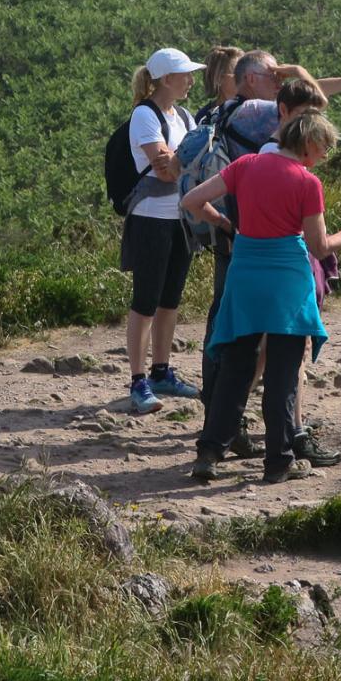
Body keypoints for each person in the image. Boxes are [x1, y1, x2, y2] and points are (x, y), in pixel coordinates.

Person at [183, 113, 341, 484]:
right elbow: (320, 248)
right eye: (322, 149)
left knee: (237, 369)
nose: (323, 156)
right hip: (288, 280)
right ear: (307, 145)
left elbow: (192, 200)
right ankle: (277, 463)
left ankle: (208, 453)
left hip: (246, 276)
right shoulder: (307, 182)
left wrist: (227, 226)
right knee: (283, 373)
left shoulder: (245, 165)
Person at [121, 47, 206, 414]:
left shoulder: (182, 116)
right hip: (151, 218)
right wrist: (185, 157)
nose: (190, 80)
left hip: (179, 219)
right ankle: (138, 380)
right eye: (185, 74)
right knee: (145, 301)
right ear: (166, 79)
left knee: (169, 300)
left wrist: (177, 157)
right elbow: (166, 171)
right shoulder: (144, 115)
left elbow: (174, 164)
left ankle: (160, 370)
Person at [194, 45, 245, 123]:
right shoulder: (204, 118)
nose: (245, 78)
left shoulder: (254, 111)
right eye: (238, 73)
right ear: (219, 78)